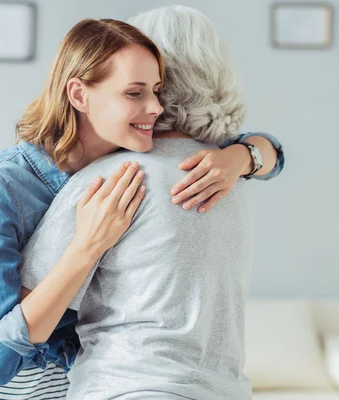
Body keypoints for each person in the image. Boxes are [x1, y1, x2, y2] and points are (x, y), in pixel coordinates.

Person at [0, 17, 283, 400]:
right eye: (134, 93)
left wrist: (241, 157)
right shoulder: (4, 185)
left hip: (60, 380)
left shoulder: (126, 152)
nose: (156, 108)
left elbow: (273, 154)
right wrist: (86, 246)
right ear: (79, 95)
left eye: (159, 91)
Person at [20, 6, 262, 399]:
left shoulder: (111, 179)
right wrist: (248, 155)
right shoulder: (232, 177)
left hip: (125, 387)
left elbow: (25, 323)